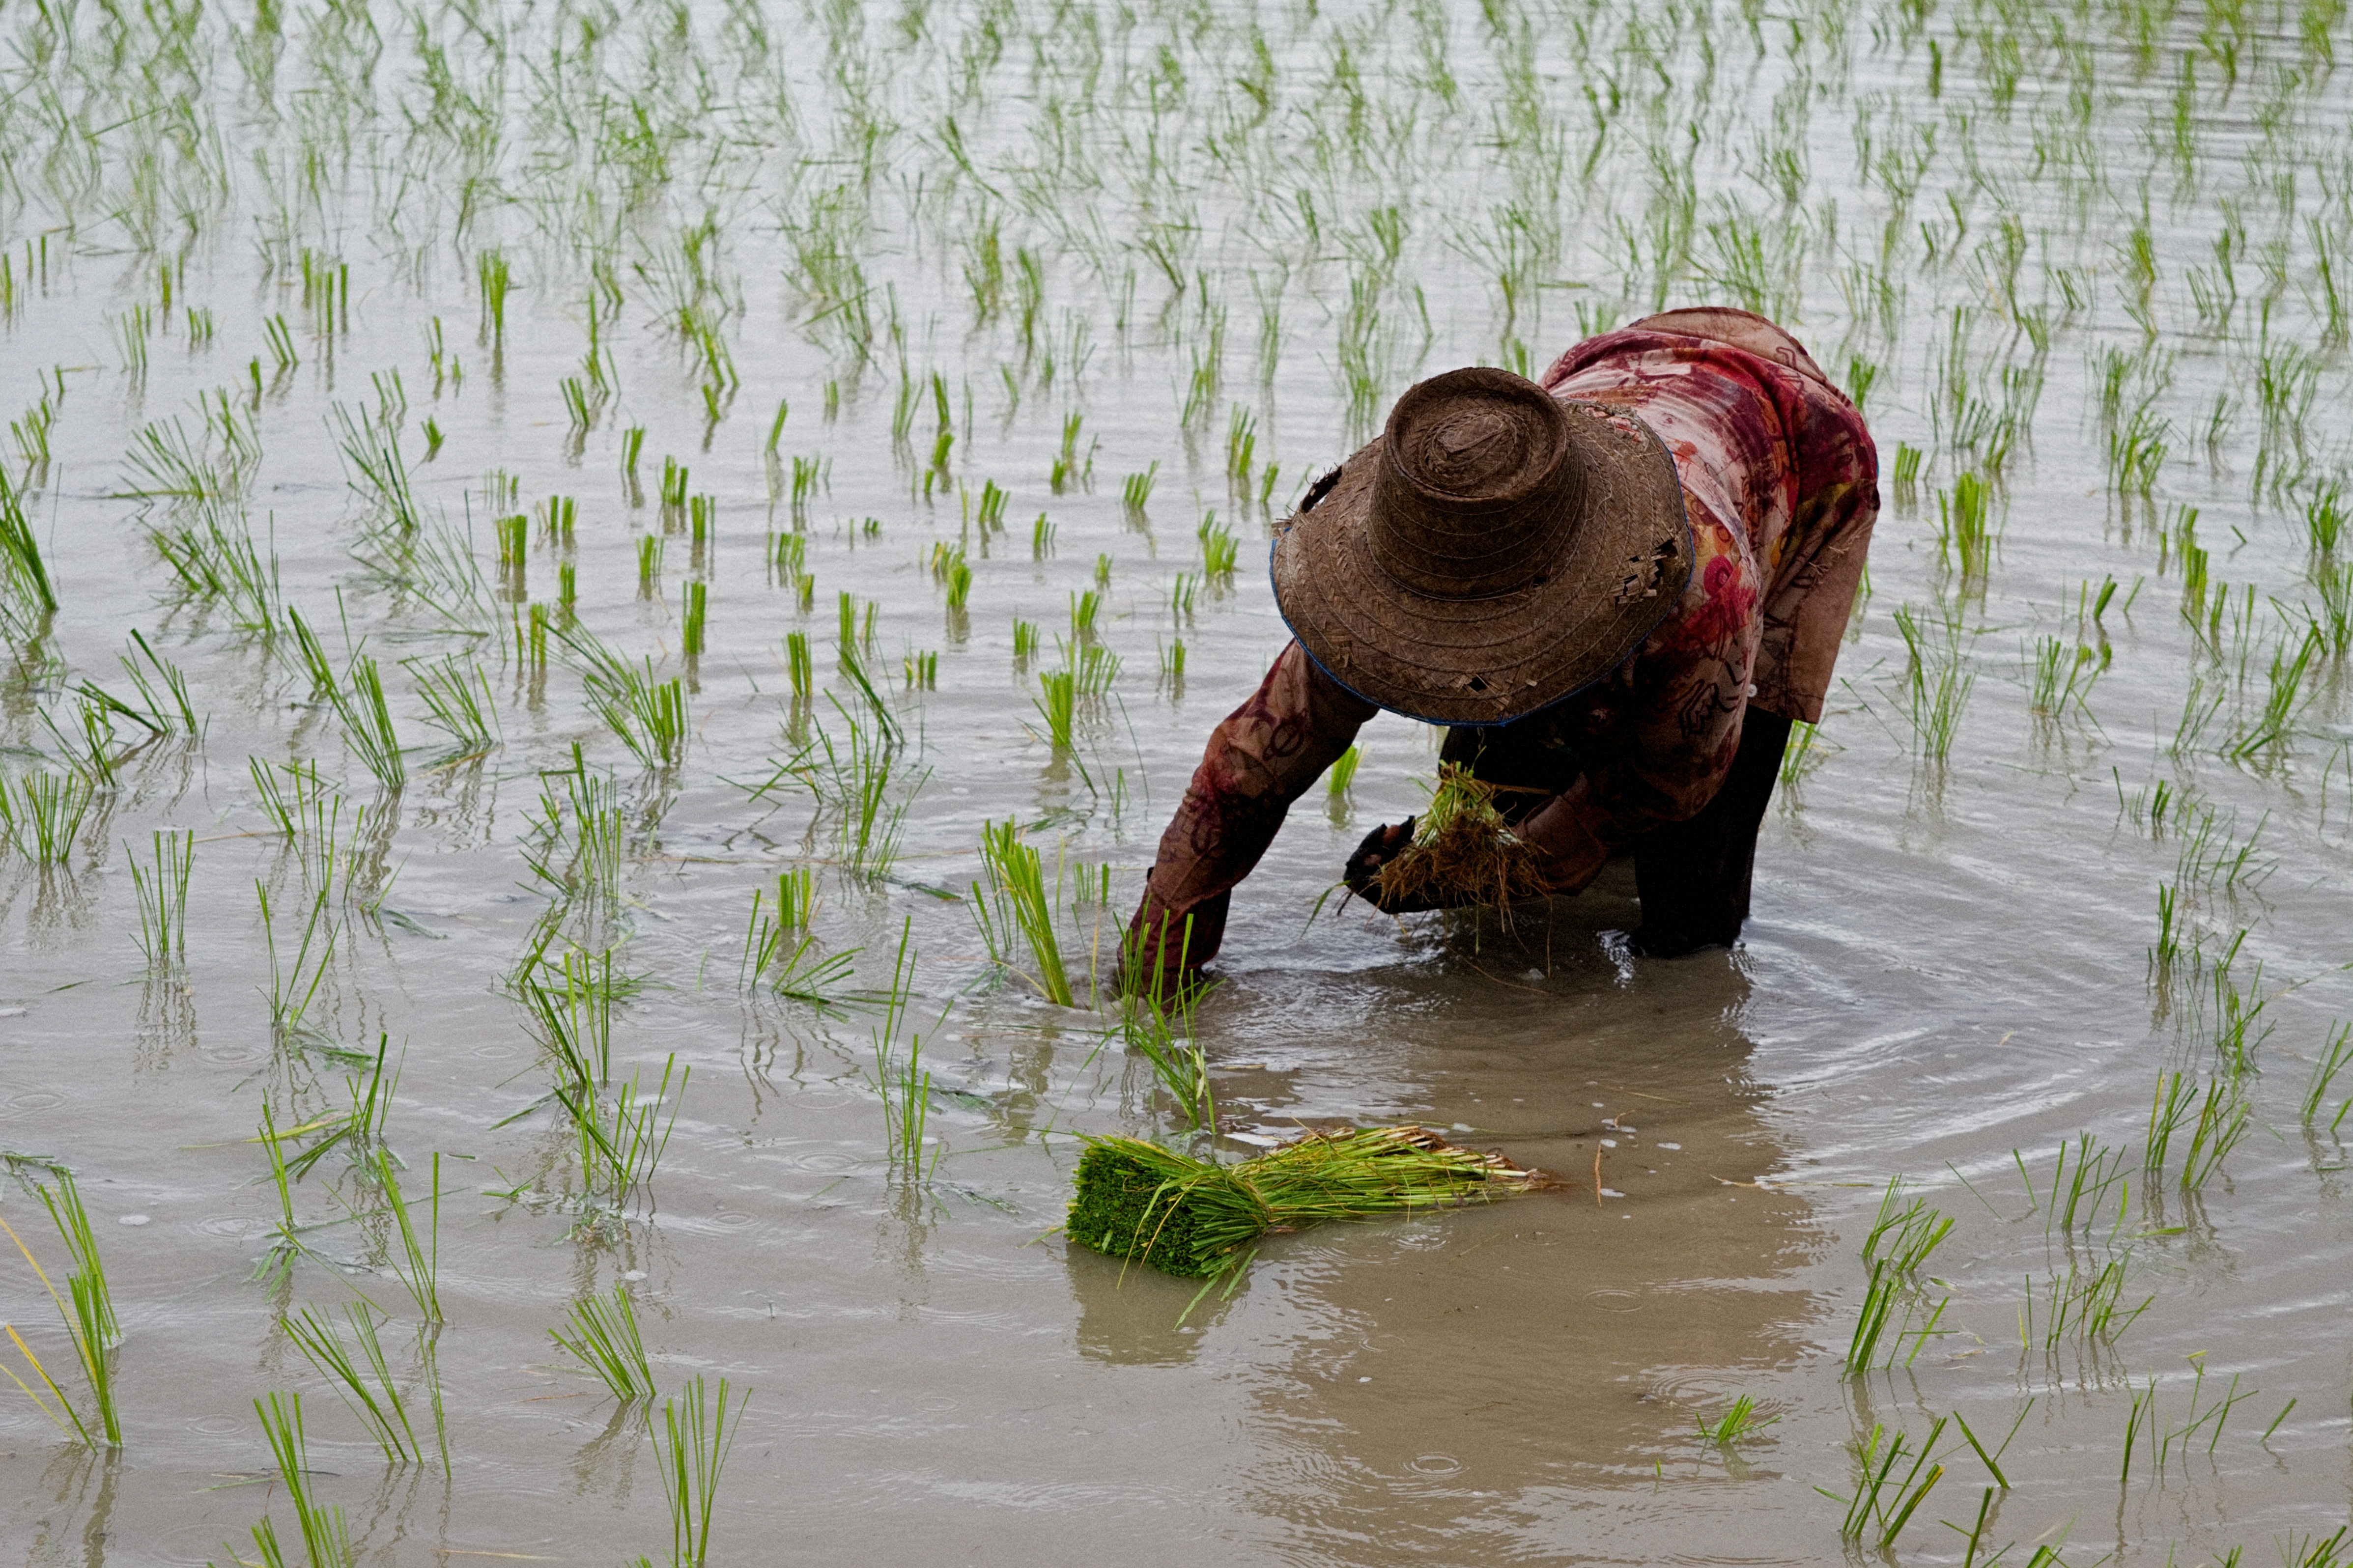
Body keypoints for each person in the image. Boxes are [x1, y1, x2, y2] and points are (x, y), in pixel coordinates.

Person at [1123, 307, 1878, 996]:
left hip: (1798, 454)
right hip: (1614, 373)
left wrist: (1459, 878)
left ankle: (1678, 1066)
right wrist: (1166, 936)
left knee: (1690, 902)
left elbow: (1664, 786)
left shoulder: (1700, 591)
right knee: (1492, 771)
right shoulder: (1398, 560)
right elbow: (1252, 763)